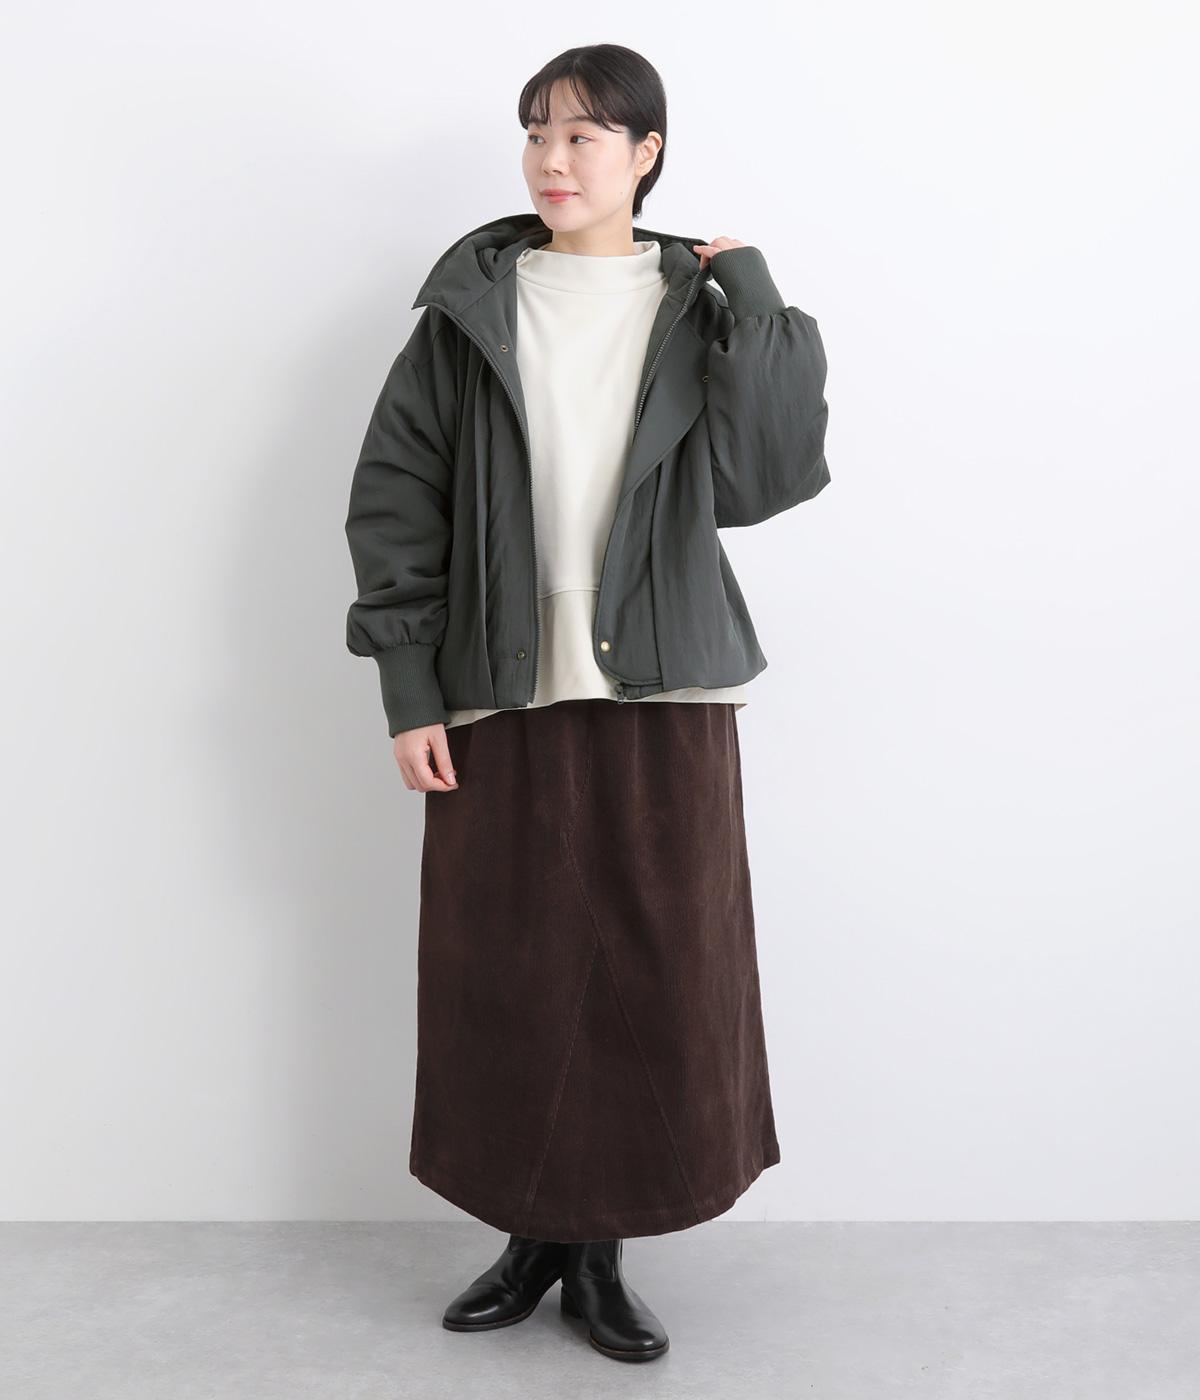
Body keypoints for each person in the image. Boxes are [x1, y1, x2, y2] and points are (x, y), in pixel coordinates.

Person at [343, 44, 830, 1365]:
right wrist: (408, 688)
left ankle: (602, 1253)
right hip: (497, 685)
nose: (551, 161)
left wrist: (755, 294)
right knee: (506, 968)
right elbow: (397, 503)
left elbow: (770, 477)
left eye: (583, 137)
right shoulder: (468, 311)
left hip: (663, 682)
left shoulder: (699, 308)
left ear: (645, 154)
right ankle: (529, 1237)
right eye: (536, 134)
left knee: (651, 972)